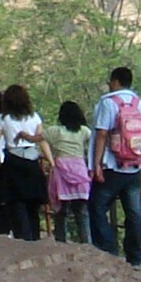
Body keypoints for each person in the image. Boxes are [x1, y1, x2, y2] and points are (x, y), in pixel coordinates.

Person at [87, 65, 141, 266]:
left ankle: (107, 252)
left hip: (111, 166)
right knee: (134, 213)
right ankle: (134, 258)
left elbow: (101, 134)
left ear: (115, 81)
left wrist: (96, 164)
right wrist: (140, 157)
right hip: (134, 167)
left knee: (97, 207)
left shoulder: (108, 103)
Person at [0, 85, 49, 242]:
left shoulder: (3, 118)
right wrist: (51, 161)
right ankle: (35, 237)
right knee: (33, 204)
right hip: (32, 160)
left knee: (16, 202)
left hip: (13, 161)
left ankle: (23, 237)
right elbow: (41, 139)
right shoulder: (35, 117)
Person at [48, 100, 93, 243]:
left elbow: (38, 137)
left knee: (61, 211)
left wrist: (23, 135)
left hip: (61, 172)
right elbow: (93, 143)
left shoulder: (55, 131)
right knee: (81, 212)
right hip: (80, 172)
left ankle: (61, 241)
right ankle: (86, 242)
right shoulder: (84, 131)